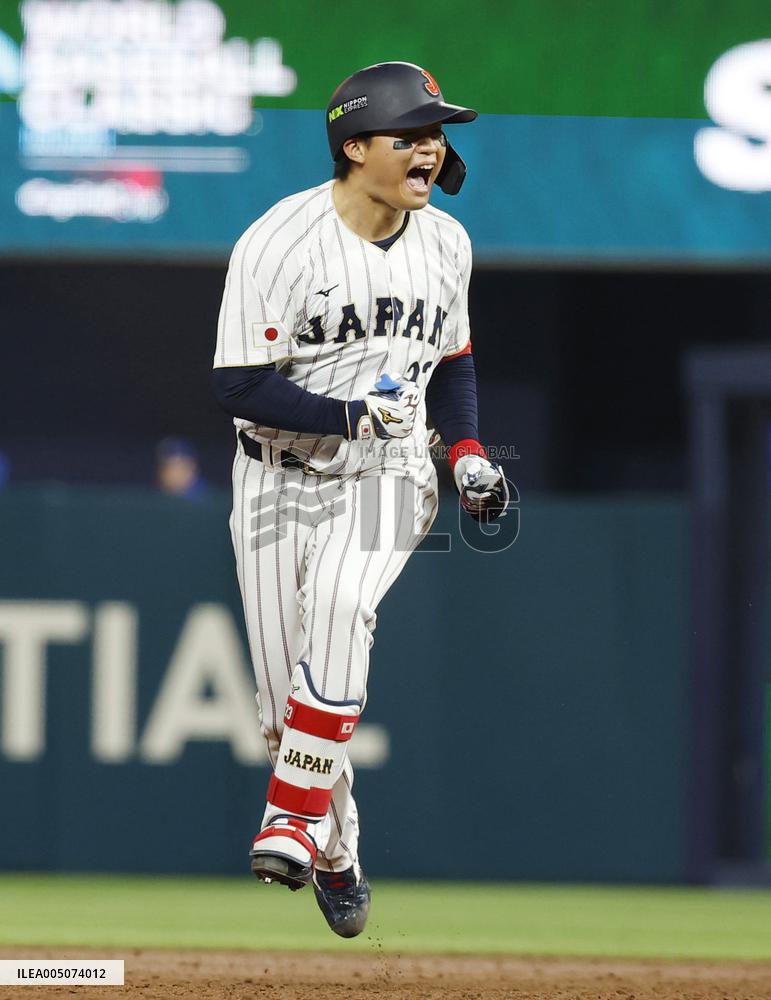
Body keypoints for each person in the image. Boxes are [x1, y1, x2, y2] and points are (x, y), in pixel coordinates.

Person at [212, 61, 507, 939]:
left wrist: (463, 455)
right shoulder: (279, 241)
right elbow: (237, 385)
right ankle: (335, 849)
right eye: (409, 134)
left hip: (388, 474)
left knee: (343, 605)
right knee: (281, 716)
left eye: (435, 133)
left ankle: (292, 818)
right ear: (353, 147)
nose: (430, 147)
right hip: (273, 474)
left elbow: (452, 362)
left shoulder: (446, 241)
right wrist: (346, 413)